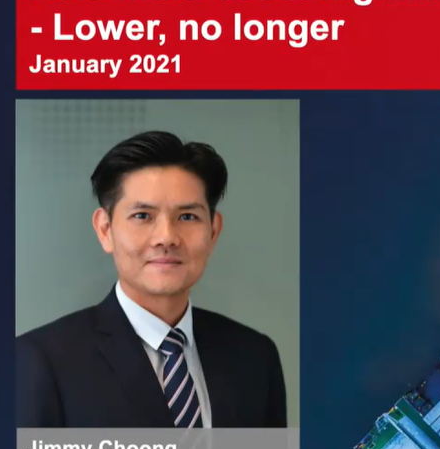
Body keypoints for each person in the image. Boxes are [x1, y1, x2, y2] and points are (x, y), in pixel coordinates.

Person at [16, 131, 287, 428]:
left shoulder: (255, 357)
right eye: (143, 216)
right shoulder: (42, 361)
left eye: (187, 216)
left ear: (213, 231)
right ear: (105, 229)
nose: (166, 238)